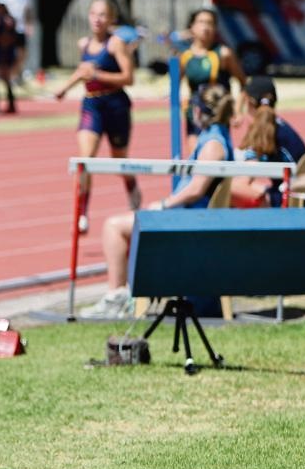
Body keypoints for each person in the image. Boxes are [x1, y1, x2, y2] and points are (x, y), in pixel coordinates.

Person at [81, 84, 235, 318]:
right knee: (125, 223)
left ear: (200, 111)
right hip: (194, 216)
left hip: (192, 219)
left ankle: (117, 297)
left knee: (114, 226)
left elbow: (196, 188)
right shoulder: (217, 136)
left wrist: (165, 204)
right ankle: (123, 293)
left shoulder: (213, 144)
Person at [55, 0, 142, 235]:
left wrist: (100, 75)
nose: (97, 19)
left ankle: (131, 187)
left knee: (118, 160)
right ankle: (82, 212)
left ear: (111, 19)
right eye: (93, 13)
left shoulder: (116, 45)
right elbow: (84, 70)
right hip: (91, 104)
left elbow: (129, 78)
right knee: (86, 160)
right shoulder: (83, 43)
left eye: (103, 15)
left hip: (115, 104)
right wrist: (65, 87)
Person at [231, 75, 305, 208]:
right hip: (302, 195)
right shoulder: (280, 126)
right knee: (253, 187)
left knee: (230, 189)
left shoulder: (262, 130)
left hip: (288, 200)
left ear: (248, 102)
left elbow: (243, 180)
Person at [179, 7, 247, 155]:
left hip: (218, 114)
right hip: (195, 113)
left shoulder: (224, 54)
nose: (206, 27)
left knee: (216, 159)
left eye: (210, 23)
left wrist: (238, 110)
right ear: (192, 27)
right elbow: (174, 85)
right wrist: (182, 102)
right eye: (201, 22)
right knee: (195, 159)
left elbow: (243, 82)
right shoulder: (184, 56)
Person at [0, 0, 32, 84]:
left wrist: (29, 25)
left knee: (22, 54)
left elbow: (28, 11)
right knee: (6, 54)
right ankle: (7, 76)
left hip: (20, 28)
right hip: (7, 30)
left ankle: (15, 74)